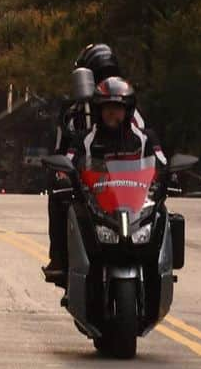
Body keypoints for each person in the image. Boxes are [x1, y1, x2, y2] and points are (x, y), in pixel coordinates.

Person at [46, 76, 168, 286]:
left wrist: (169, 175)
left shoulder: (146, 138)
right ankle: (60, 261)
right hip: (97, 203)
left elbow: (161, 163)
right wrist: (63, 177)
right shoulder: (84, 139)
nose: (112, 113)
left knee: (164, 215)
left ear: (128, 110)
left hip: (137, 204)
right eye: (107, 108)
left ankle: (161, 268)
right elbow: (68, 163)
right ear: (98, 110)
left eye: (118, 108)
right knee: (62, 203)